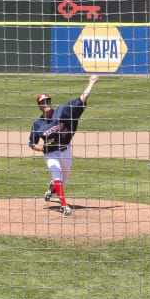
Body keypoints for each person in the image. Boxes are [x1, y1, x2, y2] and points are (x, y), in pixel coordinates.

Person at [29, 76, 99, 217]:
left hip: (66, 151)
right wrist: (42, 149)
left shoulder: (63, 111)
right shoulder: (38, 124)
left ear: (50, 102)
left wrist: (91, 83)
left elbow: (82, 99)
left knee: (64, 180)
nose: (46, 104)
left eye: (47, 101)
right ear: (39, 106)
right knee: (57, 177)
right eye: (42, 102)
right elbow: (32, 144)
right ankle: (65, 206)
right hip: (51, 154)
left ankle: (52, 189)